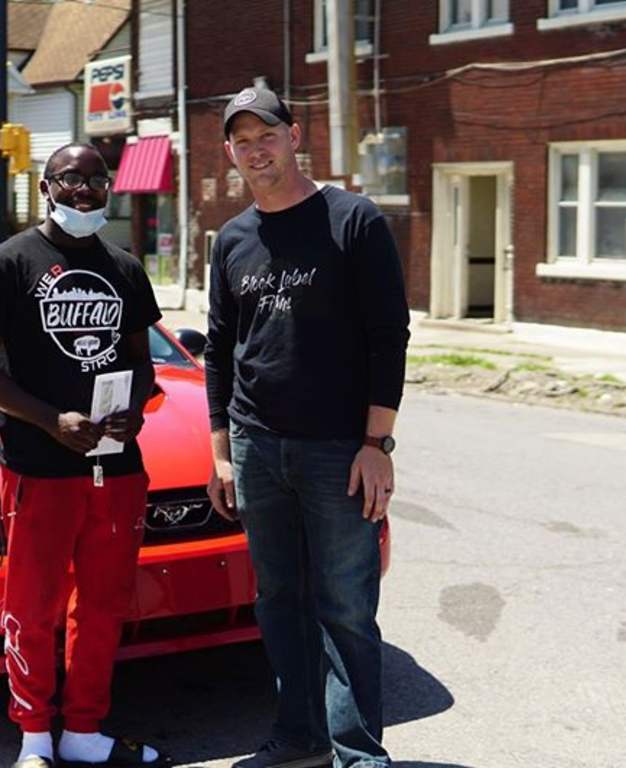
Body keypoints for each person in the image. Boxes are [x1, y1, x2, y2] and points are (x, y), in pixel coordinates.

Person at [205, 87, 410, 768]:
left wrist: (376, 444)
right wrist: (222, 453)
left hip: (337, 450)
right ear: (229, 152)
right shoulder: (232, 240)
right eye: (242, 141)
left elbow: (389, 336)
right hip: (255, 446)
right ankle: (300, 738)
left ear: (294, 136)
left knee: (345, 607)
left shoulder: (353, 221)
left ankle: (359, 756)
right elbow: (218, 350)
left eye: (266, 134)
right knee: (278, 602)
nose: (256, 151)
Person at [0, 143, 171, 768]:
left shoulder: (124, 268)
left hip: (116, 467)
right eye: (71, 178)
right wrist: (51, 420)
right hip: (38, 466)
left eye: (97, 180)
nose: (85, 190)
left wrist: (136, 405)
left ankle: (83, 732)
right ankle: (33, 737)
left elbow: (140, 360)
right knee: (33, 606)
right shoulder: (6, 264)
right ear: (45, 187)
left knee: (103, 605)